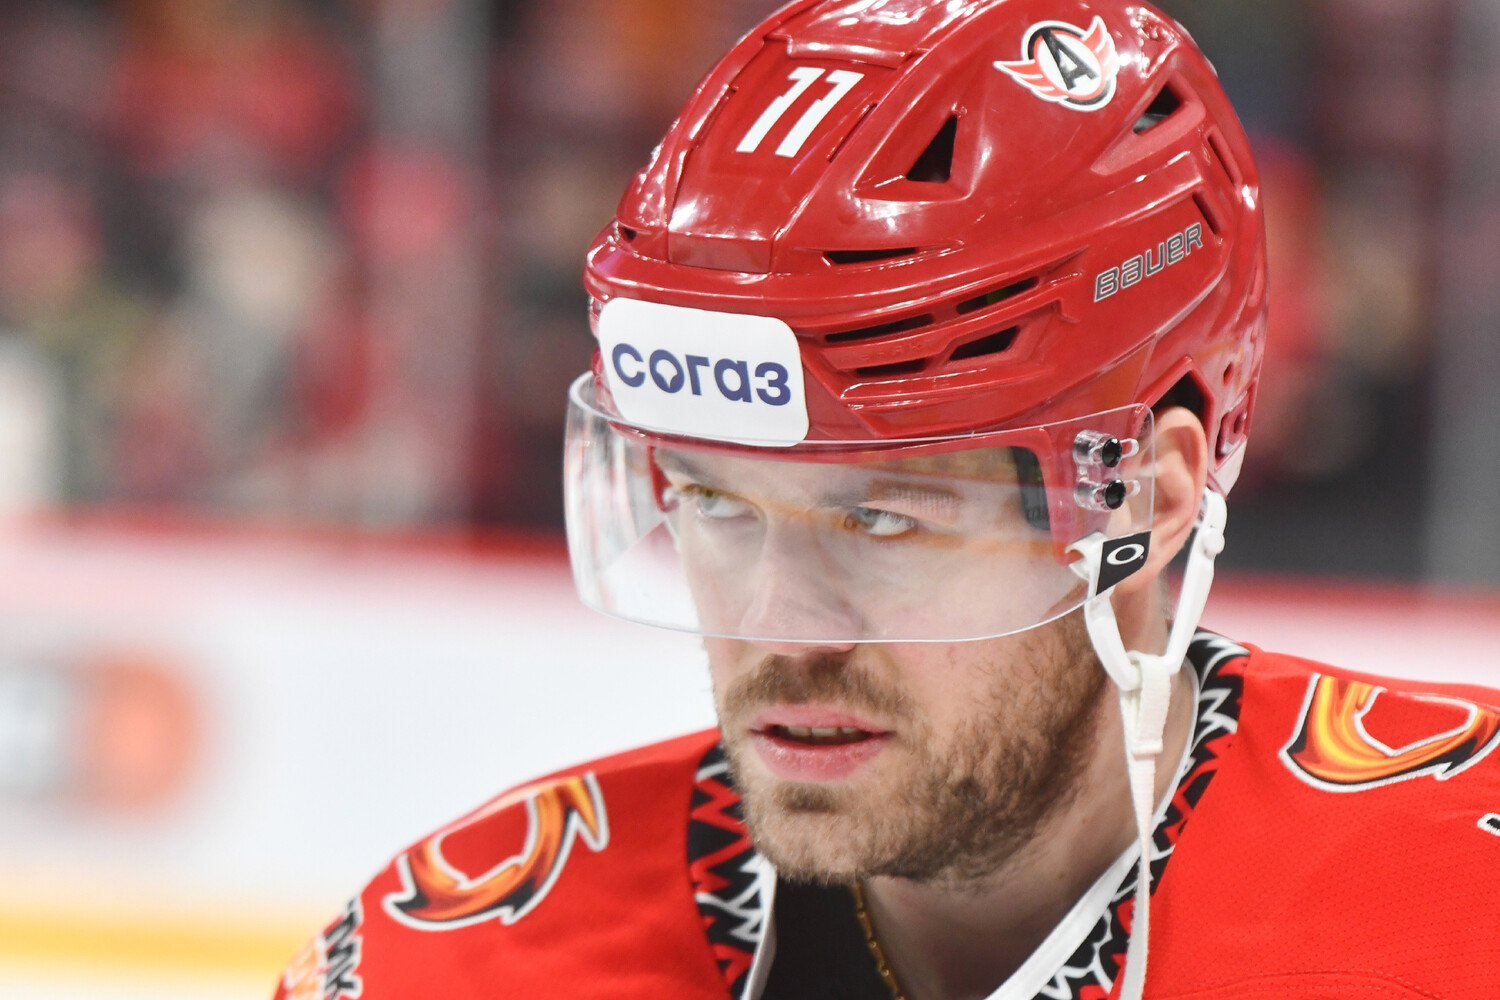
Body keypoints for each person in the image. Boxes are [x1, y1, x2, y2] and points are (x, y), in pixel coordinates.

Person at [275, 2, 1500, 999]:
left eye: (882, 520)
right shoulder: (456, 954)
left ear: (1144, 501)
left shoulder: (1463, 901)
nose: (780, 626)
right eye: (716, 504)